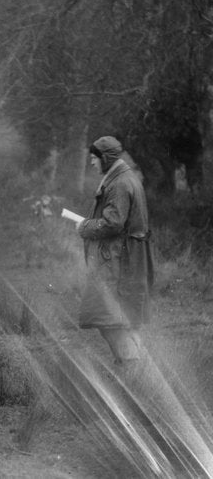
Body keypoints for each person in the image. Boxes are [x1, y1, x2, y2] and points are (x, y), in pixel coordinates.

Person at [76, 136, 154, 367]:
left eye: (94, 158)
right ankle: (130, 366)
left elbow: (113, 223)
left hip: (118, 261)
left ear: (106, 158)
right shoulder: (125, 178)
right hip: (124, 259)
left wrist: (84, 227)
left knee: (110, 317)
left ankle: (131, 366)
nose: (91, 163)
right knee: (116, 317)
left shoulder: (119, 183)